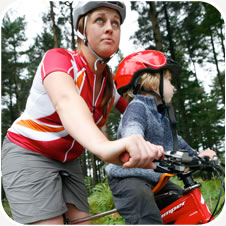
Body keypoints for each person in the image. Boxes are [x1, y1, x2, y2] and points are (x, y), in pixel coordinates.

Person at [1, 3, 164, 225]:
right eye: (100, 20)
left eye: (115, 23)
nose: (109, 28)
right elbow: (67, 102)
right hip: (29, 150)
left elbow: (138, 115)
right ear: (82, 29)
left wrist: (173, 147)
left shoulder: (108, 85)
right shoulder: (60, 60)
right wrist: (105, 147)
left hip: (69, 160)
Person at [106, 50, 216, 224]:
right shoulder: (137, 107)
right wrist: (137, 143)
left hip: (156, 180)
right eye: (169, 81)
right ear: (153, 85)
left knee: (183, 202)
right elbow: (132, 128)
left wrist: (198, 157)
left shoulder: (162, 118)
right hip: (129, 178)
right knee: (147, 217)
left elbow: (177, 144)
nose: (173, 87)